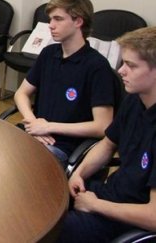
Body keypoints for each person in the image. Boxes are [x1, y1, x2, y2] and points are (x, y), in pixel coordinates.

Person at [59, 27, 156, 242]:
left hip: (128, 219)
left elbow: (153, 216)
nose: (121, 71)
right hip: (110, 194)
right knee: (43, 198)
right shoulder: (135, 100)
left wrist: (95, 205)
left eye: (131, 65)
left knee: (53, 229)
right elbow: (107, 144)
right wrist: (79, 174)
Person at [14, 0, 117, 168]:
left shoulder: (97, 66)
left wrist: (48, 127)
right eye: (50, 19)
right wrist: (33, 123)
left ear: (78, 21)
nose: (51, 25)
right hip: (34, 134)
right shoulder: (48, 54)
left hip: (63, 147)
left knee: (15, 166)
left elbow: (102, 125)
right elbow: (21, 93)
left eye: (58, 19)